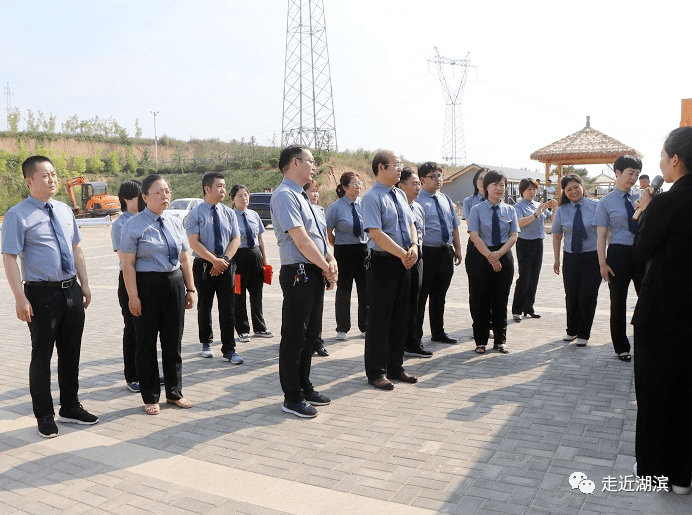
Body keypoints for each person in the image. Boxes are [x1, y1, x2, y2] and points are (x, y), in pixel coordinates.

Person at [1, 155, 98, 437]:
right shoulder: (17, 215)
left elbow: (76, 249)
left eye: (54, 174)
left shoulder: (65, 210)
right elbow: (9, 259)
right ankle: (44, 414)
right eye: (45, 175)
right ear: (29, 181)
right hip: (40, 295)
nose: (52, 179)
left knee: (71, 352)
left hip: (71, 290)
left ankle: (70, 406)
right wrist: (20, 298)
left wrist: (86, 284)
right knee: (42, 355)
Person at [631, 126, 692, 495]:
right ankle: (684, 474)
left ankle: (655, 470)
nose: (659, 163)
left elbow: (640, 252)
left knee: (655, 391)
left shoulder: (666, 202)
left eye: (661, 156)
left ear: (675, 159)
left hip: (662, 312)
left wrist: (645, 212)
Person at [270, 145, 337, 418]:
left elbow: (319, 237)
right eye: (311, 161)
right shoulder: (284, 195)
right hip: (299, 272)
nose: (314, 166)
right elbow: (301, 239)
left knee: (310, 336)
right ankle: (292, 396)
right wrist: (326, 266)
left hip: (314, 270)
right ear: (295, 162)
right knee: (295, 337)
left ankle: (305, 385)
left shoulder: (303, 197)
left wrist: (330, 261)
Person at [120, 174, 196, 415]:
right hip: (146, 285)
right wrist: (133, 296)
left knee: (173, 341)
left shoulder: (174, 222)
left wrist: (191, 288)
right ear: (144, 197)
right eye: (159, 192)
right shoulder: (133, 224)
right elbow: (128, 264)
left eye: (168, 191)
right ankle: (150, 395)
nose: (165, 195)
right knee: (146, 343)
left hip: (173, 283)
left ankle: (174, 392)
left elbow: (185, 258)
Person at [362, 150, 419, 390]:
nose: (400, 168)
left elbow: (410, 224)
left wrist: (414, 246)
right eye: (396, 164)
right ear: (381, 168)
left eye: (401, 164)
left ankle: (396, 367)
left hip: (404, 261)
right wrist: (403, 254)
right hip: (384, 262)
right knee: (379, 320)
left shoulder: (400, 195)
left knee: (400, 317)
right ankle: (376, 372)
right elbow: (376, 233)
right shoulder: (372, 197)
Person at [185, 172, 243, 364]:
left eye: (224, 186)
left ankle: (229, 348)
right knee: (205, 305)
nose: (223, 190)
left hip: (227, 264)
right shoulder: (195, 214)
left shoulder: (229, 213)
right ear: (207, 189)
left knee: (228, 307)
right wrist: (213, 261)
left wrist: (223, 260)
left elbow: (236, 238)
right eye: (219, 186)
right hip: (203, 265)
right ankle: (206, 342)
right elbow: (194, 243)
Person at [594, 155, 644, 362]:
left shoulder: (643, 197)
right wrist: (602, 263)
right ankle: (621, 347)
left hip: (642, 253)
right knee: (618, 302)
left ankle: (646, 342)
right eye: (630, 173)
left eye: (637, 174)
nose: (633, 178)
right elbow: (601, 236)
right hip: (618, 254)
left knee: (647, 299)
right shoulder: (605, 202)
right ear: (618, 173)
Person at [467, 170, 519, 354]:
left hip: (503, 255)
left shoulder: (510, 209)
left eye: (502, 185)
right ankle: (480, 341)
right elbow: (474, 235)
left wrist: (498, 254)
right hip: (481, 256)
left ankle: (500, 341)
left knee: (500, 300)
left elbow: (513, 236)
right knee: (480, 298)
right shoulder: (477, 209)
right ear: (486, 187)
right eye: (495, 184)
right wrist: (490, 256)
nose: (499, 188)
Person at [415, 162, 462, 345]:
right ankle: (415, 336)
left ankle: (438, 332)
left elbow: (455, 227)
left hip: (445, 253)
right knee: (421, 297)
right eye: (433, 177)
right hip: (426, 253)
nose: (438, 180)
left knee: (439, 296)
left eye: (440, 176)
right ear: (422, 180)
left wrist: (457, 249)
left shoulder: (445, 199)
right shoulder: (417, 200)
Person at [552, 173, 601, 347]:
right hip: (571, 257)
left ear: (583, 186)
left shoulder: (596, 206)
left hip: (592, 256)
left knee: (587, 295)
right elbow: (557, 235)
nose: (573, 191)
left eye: (576, 187)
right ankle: (571, 330)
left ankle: (584, 333)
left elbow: (605, 233)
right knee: (571, 294)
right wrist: (556, 259)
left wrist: (605, 257)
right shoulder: (561, 210)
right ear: (564, 192)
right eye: (568, 189)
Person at [326, 172, 368, 343]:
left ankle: (365, 326)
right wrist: (337, 247)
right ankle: (342, 328)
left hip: (364, 250)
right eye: (355, 183)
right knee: (344, 290)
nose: (359, 186)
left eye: (360, 183)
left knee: (365, 290)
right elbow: (328, 232)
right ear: (344, 187)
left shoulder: (365, 204)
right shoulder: (335, 207)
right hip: (344, 251)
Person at [112, 180, 145, 392]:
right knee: (133, 329)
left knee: (147, 330)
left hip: (148, 279)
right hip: (129, 280)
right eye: (138, 197)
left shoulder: (146, 219)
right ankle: (132, 375)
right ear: (126, 199)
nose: (143, 200)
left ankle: (147, 371)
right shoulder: (120, 224)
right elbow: (125, 259)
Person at [230, 184, 273, 345]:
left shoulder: (254, 215)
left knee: (257, 293)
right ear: (233, 199)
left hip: (254, 256)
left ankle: (260, 328)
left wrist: (265, 259)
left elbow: (261, 238)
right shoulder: (229, 216)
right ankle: (242, 330)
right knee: (238, 294)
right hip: (237, 259)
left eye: (246, 195)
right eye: (240, 196)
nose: (244, 199)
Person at [396, 167, 432, 358]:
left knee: (416, 302)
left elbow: (420, 234)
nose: (418, 187)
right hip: (400, 258)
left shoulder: (418, 207)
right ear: (401, 186)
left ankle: (413, 341)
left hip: (417, 257)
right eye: (415, 183)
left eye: (419, 183)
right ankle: (398, 344)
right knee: (400, 304)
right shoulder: (396, 207)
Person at [511, 178, 557, 321]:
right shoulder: (518, 207)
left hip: (538, 242)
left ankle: (529, 307)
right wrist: (536, 213)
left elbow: (551, 220)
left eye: (534, 189)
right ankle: (517, 309)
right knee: (524, 276)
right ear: (522, 191)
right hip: (524, 243)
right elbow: (519, 223)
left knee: (534, 276)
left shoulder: (539, 204)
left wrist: (554, 208)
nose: (532, 192)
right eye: (529, 189)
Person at [303, 179, 330, 357]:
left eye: (316, 191)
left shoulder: (320, 211)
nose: (315, 194)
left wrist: (329, 259)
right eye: (311, 191)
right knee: (303, 309)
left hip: (321, 264)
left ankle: (316, 342)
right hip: (305, 265)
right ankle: (303, 341)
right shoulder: (301, 210)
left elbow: (324, 238)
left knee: (317, 307)